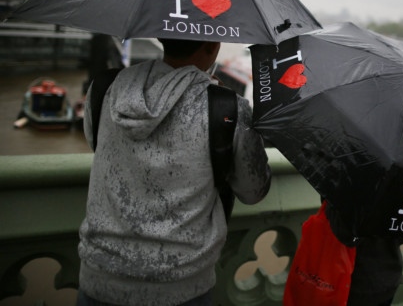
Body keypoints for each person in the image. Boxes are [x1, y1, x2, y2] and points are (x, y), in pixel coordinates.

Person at [76, 38, 272, 306]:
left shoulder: (105, 88)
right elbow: (253, 191)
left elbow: (97, 144)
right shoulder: (226, 107)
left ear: (162, 38)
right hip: (183, 286)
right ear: (213, 46)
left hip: (98, 278)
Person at [324, 202, 403, 306]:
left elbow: (345, 235)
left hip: (351, 282)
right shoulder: (400, 188)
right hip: (388, 274)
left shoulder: (347, 187)